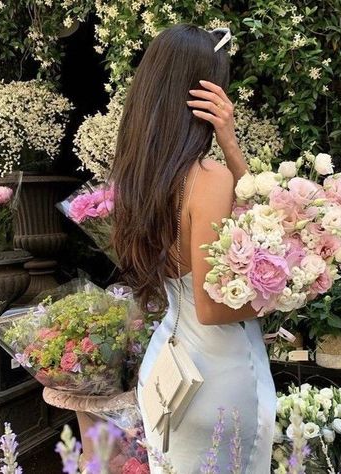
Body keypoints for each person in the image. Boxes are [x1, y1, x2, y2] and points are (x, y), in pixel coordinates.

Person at [111, 24, 276, 473]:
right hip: (217, 378)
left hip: (169, 363)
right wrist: (277, 298)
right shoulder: (209, 179)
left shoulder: (141, 178)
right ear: (208, 94)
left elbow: (259, 219)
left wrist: (230, 146)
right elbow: (212, 306)